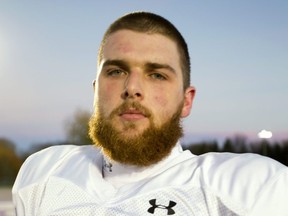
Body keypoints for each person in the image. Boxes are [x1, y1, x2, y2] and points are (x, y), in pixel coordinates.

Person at [13, 11, 288, 215]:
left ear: (186, 101)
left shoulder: (249, 188)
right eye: (116, 71)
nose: (132, 88)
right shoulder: (44, 174)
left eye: (156, 75)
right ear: (95, 90)